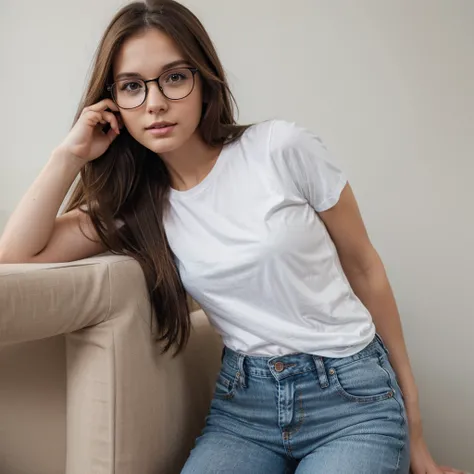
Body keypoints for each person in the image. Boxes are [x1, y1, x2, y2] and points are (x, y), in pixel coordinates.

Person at [0, 1, 463, 473]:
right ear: (112, 102)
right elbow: (15, 257)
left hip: (352, 397)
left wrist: (417, 433)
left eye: (174, 78)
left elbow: (365, 267)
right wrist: (68, 155)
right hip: (245, 408)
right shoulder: (138, 206)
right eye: (132, 87)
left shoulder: (280, 148)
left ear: (204, 81)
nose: (155, 102)